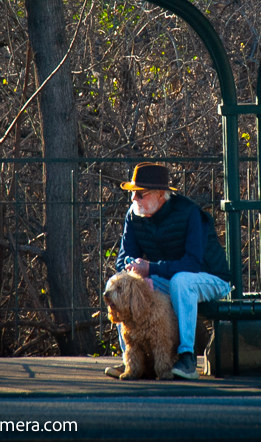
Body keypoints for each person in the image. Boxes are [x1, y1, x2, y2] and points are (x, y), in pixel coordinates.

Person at [105, 162, 231, 380]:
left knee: (181, 282)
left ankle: (187, 358)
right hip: (168, 276)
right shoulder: (134, 215)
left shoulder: (189, 212)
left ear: (161, 194)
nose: (134, 199)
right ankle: (132, 361)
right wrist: (136, 273)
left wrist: (151, 269)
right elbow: (123, 261)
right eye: (132, 193)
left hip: (211, 278)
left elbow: (193, 263)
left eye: (140, 194)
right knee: (117, 283)